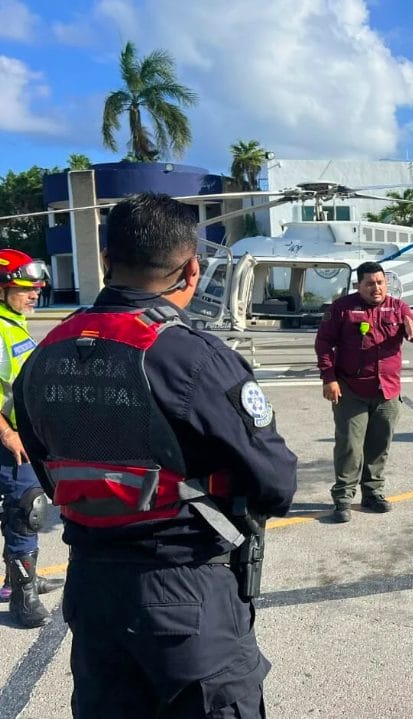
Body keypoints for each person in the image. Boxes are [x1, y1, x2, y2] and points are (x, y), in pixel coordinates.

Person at [13, 193, 298, 718]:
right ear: (192, 269)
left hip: (92, 592)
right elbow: (275, 484)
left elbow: (50, 471)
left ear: (104, 260)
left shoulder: (45, 353)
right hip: (185, 593)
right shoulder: (195, 357)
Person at [315, 261, 413, 523]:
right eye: (370, 283)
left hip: (387, 390)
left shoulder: (398, 308)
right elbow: (323, 344)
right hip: (351, 389)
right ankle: (343, 498)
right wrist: (329, 379)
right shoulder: (342, 308)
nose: (376, 288)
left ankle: (372, 493)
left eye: (380, 282)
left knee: (379, 445)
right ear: (358, 285)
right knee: (350, 446)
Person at [0, 249, 63, 627]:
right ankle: (21, 600)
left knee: (24, 507)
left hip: (25, 435)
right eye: (24, 288)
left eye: (36, 288)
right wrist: (7, 432)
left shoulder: (13, 324)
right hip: (9, 440)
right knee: (27, 509)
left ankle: (21, 577)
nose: (34, 294)